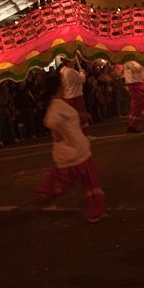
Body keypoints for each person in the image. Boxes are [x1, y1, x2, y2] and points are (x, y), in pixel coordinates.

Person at [35, 72, 107, 223]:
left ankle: (47, 189)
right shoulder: (57, 105)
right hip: (77, 149)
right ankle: (94, 211)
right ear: (58, 88)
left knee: (65, 178)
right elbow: (52, 122)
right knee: (90, 181)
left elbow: (62, 121)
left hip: (69, 151)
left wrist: (81, 117)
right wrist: (63, 133)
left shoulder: (57, 105)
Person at [123, 60, 144, 133]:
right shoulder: (131, 61)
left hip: (135, 84)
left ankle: (132, 126)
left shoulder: (131, 62)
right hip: (136, 84)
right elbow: (136, 68)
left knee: (137, 106)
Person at [60, 57, 90, 135]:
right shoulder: (70, 71)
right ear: (69, 61)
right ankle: (85, 135)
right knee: (82, 116)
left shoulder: (62, 70)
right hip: (75, 96)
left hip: (67, 97)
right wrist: (82, 73)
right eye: (73, 60)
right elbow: (81, 80)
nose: (74, 62)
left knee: (72, 118)